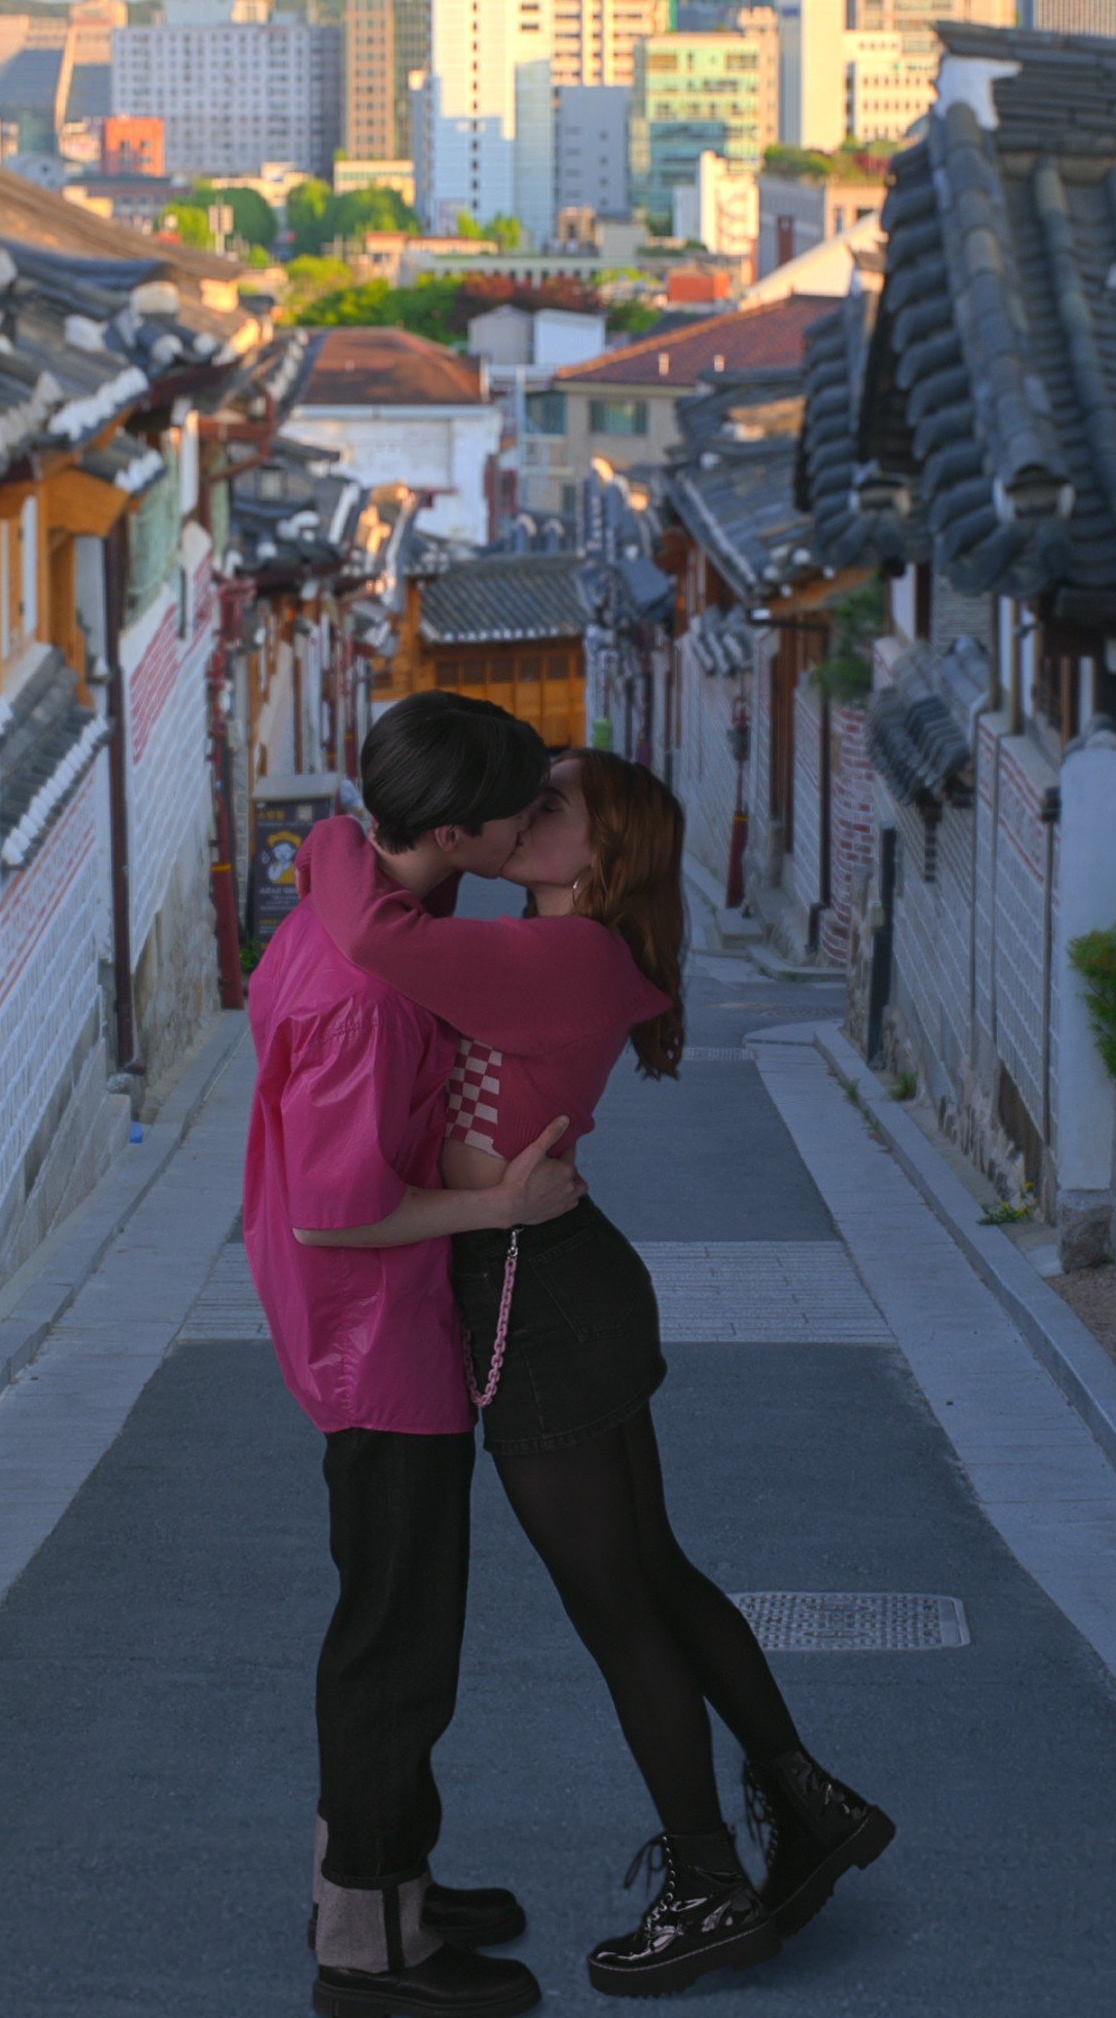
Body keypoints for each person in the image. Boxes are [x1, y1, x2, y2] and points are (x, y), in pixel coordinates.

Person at [294, 747, 893, 2000]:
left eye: (551, 806)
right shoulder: (558, 945)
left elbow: (370, 930)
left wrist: (348, 823)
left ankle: (709, 1886)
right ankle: (807, 1800)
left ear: (603, 857)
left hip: (537, 1290)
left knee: (619, 1608)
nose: (524, 813)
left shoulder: (565, 958)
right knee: (655, 1578)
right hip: (555, 1273)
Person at [245, 693, 588, 2018]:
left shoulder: (355, 878)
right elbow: (337, 1213)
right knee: (398, 1643)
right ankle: (362, 1943)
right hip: (378, 1347)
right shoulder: (372, 998)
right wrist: (504, 1208)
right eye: (519, 811)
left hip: (375, 1334)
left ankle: (391, 1877)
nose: (534, 822)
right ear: (451, 830)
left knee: (393, 1624)